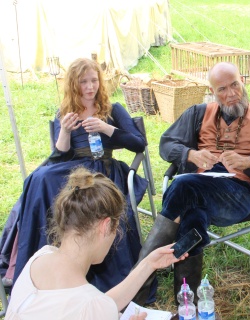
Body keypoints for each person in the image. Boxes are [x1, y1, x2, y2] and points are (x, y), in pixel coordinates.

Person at [131, 61, 250, 305]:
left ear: (243, 82)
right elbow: (166, 144)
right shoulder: (198, 113)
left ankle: (137, 284)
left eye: (234, 85)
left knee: (183, 185)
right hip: (198, 187)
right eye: (222, 89)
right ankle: (188, 303)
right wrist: (191, 155)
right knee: (192, 218)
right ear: (213, 92)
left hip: (237, 195)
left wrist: (249, 160)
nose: (230, 94)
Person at [0, 58, 151, 300]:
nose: (90, 87)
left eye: (94, 81)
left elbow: (138, 143)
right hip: (72, 167)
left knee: (42, 179)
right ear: (74, 84)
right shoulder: (66, 111)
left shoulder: (113, 109)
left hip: (103, 168)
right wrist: (66, 130)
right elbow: (60, 154)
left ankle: (90, 271)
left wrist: (105, 128)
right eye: (84, 82)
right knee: (37, 179)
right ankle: (36, 253)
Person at [5, 167, 185, 319]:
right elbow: (92, 307)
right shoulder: (91, 306)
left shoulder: (41, 257)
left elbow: (92, 306)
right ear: (106, 226)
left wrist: (149, 263)